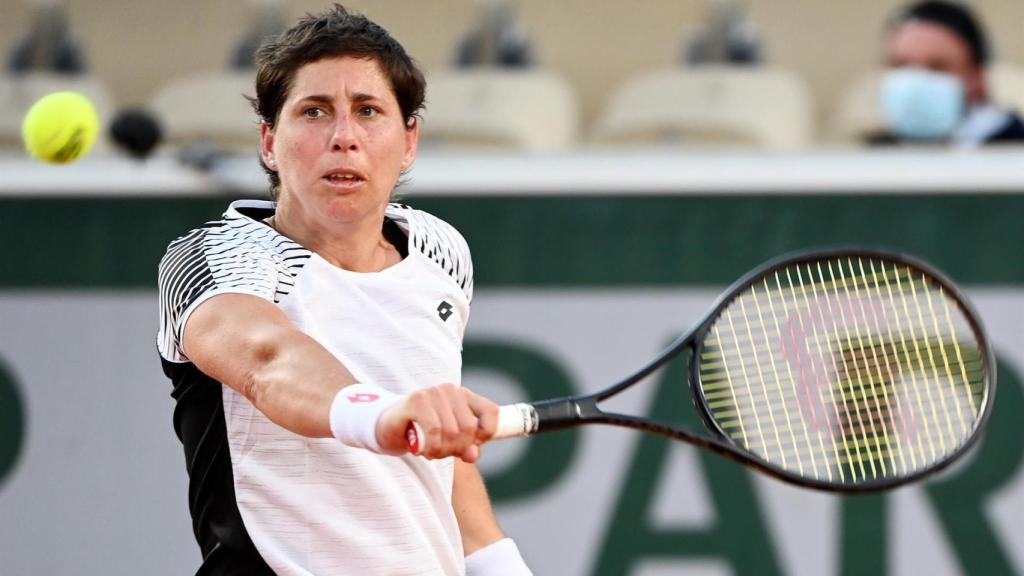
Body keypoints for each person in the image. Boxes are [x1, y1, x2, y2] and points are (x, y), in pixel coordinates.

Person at [156, 5, 532, 575]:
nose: (343, 137)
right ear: (268, 142)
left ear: (409, 141)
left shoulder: (440, 252)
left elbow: (438, 466)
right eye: (314, 112)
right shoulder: (214, 258)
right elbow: (267, 360)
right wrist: (386, 415)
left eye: (368, 111)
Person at [873, 0, 1024, 146]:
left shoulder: (1013, 149)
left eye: (937, 67)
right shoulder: (874, 155)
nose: (915, 79)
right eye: (901, 66)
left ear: (977, 77)